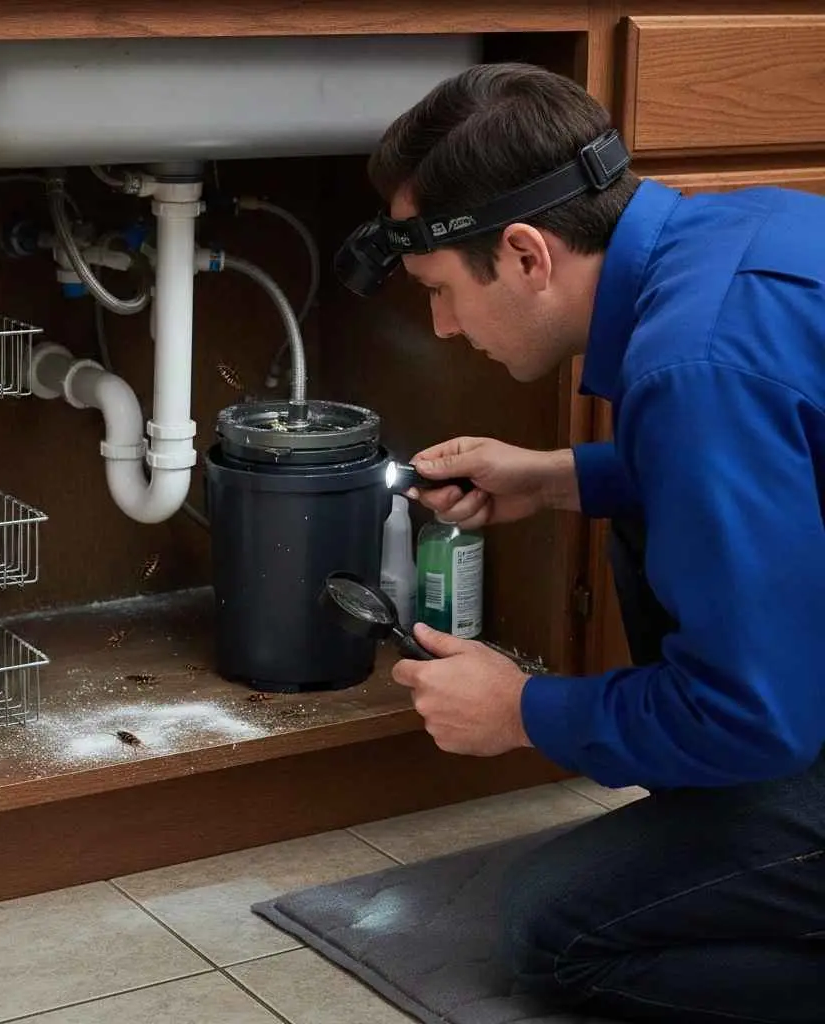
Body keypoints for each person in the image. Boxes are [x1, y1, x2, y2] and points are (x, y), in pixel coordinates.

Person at [338, 63, 825, 1023]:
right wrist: (562, 476)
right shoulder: (749, 232)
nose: (441, 326)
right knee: (644, 517)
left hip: (785, 718)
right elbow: (791, 459)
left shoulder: (692, 373)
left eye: (440, 290)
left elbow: (753, 715)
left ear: (526, 255)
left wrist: (525, 709)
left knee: (554, 930)